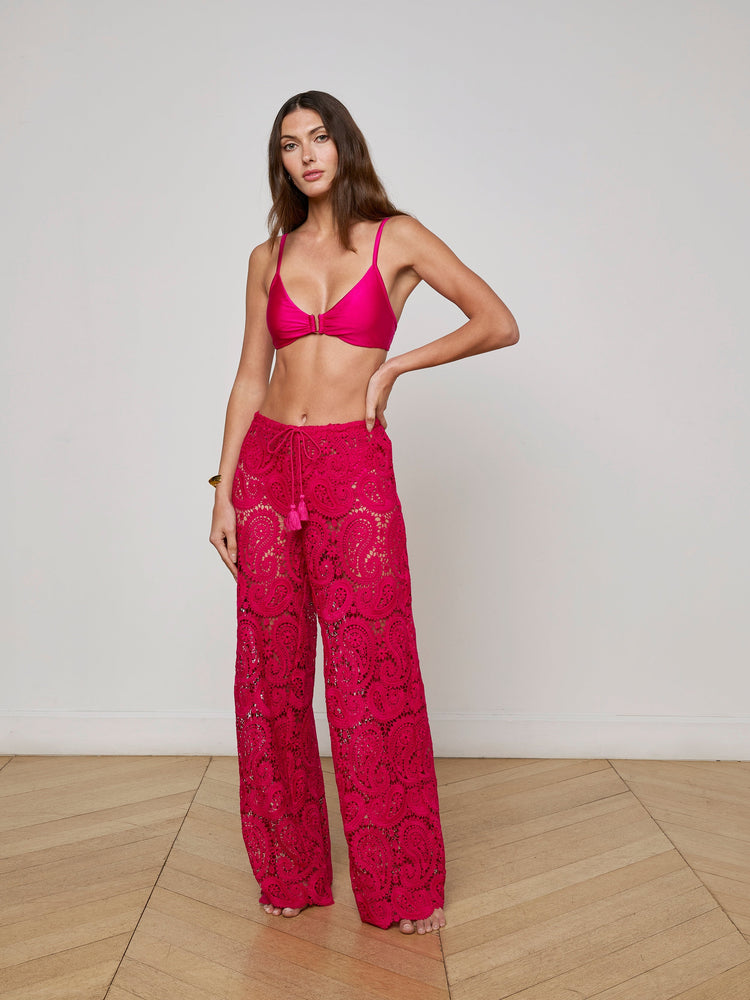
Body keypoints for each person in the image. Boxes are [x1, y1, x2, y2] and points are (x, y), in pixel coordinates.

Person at [209, 90, 519, 936]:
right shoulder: (266, 257)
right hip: (267, 467)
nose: (306, 154)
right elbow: (250, 376)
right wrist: (223, 488)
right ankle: (291, 871)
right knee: (270, 676)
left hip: (352, 466)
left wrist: (395, 368)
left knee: (371, 673)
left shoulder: (397, 238)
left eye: (318, 137)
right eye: (289, 145)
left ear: (344, 145)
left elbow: (497, 322)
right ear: (279, 162)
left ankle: (402, 882)